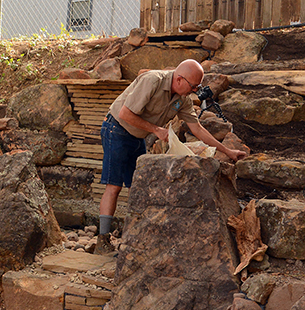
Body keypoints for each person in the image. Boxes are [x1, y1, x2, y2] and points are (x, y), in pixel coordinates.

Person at [98, 59, 248, 235]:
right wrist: (156, 130)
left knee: (137, 186)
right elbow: (125, 114)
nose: (194, 91)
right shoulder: (152, 81)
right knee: (114, 185)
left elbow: (197, 128)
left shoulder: (183, 99)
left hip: (136, 136)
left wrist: (228, 151)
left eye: (196, 88)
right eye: (193, 86)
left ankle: (134, 235)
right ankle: (103, 238)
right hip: (116, 129)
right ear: (179, 79)